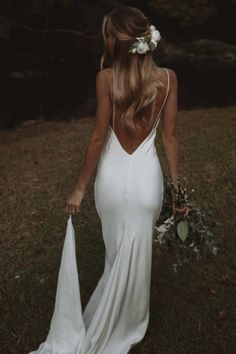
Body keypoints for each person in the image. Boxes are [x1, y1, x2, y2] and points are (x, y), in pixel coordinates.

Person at [29, 5, 186, 354]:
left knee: (116, 255)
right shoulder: (169, 79)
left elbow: (98, 138)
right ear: (147, 39)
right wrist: (177, 189)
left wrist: (80, 187)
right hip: (147, 182)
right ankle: (130, 323)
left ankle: (111, 322)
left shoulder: (105, 79)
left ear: (116, 41)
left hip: (112, 182)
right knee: (138, 255)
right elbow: (170, 137)